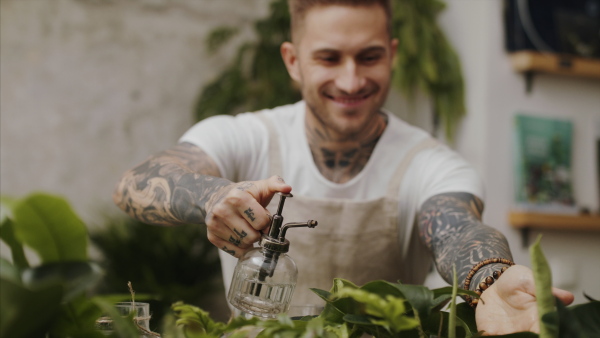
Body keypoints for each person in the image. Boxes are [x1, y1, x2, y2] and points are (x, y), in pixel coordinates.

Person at [113, 0, 574, 334]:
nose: (351, 80)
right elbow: (136, 184)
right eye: (329, 58)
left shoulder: (431, 164)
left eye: (369, 56)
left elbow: (458, 227)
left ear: (392, 53)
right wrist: (211, 196)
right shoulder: (246, 136)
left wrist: (490, 275)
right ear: (293, 61)